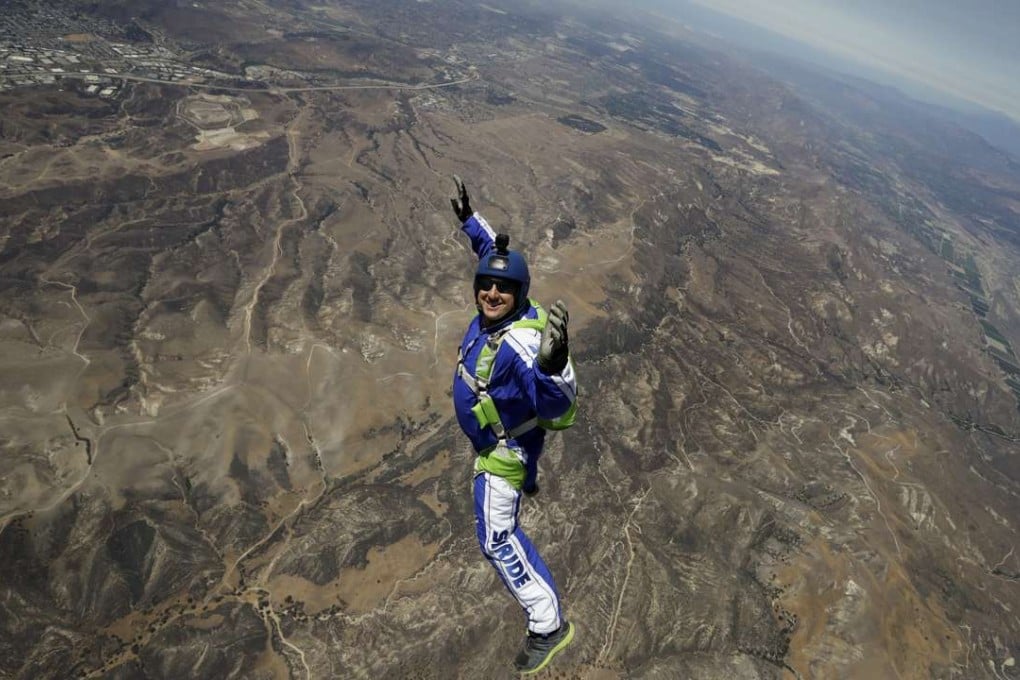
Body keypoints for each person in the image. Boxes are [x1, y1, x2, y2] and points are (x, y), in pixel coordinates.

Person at [450, 176, 578, 674]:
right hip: (510, 444)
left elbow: (562, 412)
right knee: (501, 525)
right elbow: (492, 255)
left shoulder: (525, 344)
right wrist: (470, 221)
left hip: (503, 455)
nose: (493, 293)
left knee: (497, 539)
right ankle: (528, 477)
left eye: (504, 288)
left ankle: (547, 626)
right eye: (486, 285)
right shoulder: (498, 308)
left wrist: (551, 369)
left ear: (521, 294)